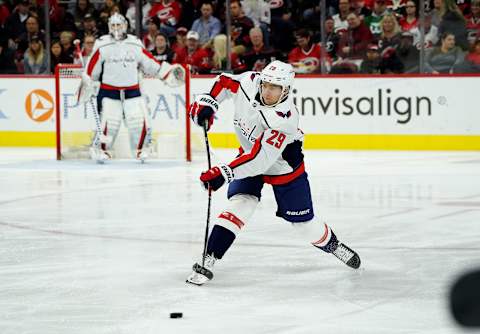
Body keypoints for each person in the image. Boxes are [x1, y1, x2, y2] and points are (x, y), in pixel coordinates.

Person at [186, 60, 361, 286]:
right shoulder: (250, 82)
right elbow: (224, 81)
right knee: (241, 203)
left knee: (304, 224)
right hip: (249, 155)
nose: (267, 91)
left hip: (282, 166)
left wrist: (225, 173)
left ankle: (333, 246)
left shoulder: (284, 118)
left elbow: (261, 160)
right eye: (266, 85)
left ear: (286, 90)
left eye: (274, 88)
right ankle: (210, 256)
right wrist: (207, 103)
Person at [79, 13, 185, 163]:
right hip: (110, 90)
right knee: (110, 122)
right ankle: (102, 149)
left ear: (125, 26)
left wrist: (166, 73)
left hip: (132, 90)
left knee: (137, 121)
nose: (116, 29)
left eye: (119, 25)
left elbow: (150, 62)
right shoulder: (102, 43)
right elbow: (92, 66)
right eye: (113, 25)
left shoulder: (134, 43)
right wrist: (88, 80)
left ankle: (141, 150)